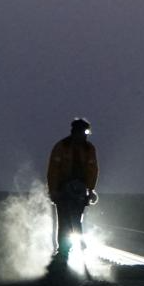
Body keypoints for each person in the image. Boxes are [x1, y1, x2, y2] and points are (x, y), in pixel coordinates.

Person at [46, 117, 99, 273]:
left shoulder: (89, 149)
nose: (84, 136)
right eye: (82, 132)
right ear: (74, 132)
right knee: (64, 221)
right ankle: (62, 253)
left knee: (76, 219)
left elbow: (93, 170)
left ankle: (73, 248)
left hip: (80, 190)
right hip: (63, 190)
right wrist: (54, 190)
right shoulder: (61, 147)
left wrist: (90, 190)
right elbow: (53, 170)